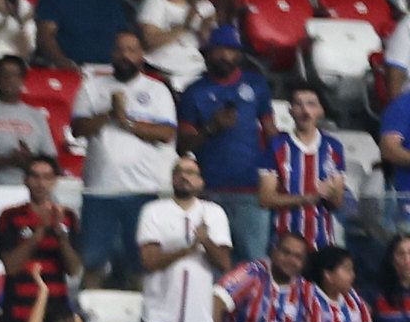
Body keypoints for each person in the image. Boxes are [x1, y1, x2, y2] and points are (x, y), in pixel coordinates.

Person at [72, 30, 177, 287]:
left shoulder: (156, 90)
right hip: (99, 191)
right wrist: (110, 114)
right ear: (112, 53)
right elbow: (78, 128)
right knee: (93, 264)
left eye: (131, 50)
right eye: (120, 49)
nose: (125, 55)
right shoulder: (93, 87)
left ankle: (137, 312)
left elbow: (166, 133)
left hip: (142, 191)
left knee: (140, 266)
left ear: (141, 55)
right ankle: (87, 312)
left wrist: (127, 122)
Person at [177, 25, 274, 265]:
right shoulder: (194, 92)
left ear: (239, 54)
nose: (224, 55)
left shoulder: (257, 85)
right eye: (218, 49)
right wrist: (211, 128)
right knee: (212, 261)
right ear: (208, 52)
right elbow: (182, 146)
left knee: (254, 263)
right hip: (209, 191)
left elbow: (271, 132)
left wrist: (274, 177)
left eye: (231, 50)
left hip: (251, 190)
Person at [137, 155, 232, 322]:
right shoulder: (154, 211)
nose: (184, 177)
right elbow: (149, 261)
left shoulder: (214, 213)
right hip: (159, 317)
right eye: (179, 172)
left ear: (201, 181)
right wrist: (187, 249)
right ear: (172, 178)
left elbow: (224, 263)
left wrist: (205, 241)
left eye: (191, 173)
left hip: (198, 321)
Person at [0, 155, 80, 322]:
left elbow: (74, 269)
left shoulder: (68, 217)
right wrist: (38, 234)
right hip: (17, 321)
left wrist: (61, 237)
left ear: (55, 181)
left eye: (47, 177)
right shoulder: (9, 216)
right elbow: (11, 267)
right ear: (25, 179)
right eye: (35, 176)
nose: (41, 183)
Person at [260, 87, 345, 251]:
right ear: (290, 110)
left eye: (311, 104)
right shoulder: (276, 146)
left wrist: (331, 193)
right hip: (283, 243)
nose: (305, 111)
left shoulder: (333, 147)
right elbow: (265, 199)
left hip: (321, 243)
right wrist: (306, 198)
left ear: (321, 110)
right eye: (299, 104)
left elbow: (338, 204)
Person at [214, 228, 309, 322]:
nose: (291, 260)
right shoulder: (252, 272)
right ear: (274, 252)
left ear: (304, 263)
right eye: (286, 252)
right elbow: (216, 301)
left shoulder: (306, 289)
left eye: (298, 257)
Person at [137, 0, 215, 91]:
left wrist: (205, 29)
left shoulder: (204, 6)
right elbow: (150, 41)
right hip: (160, 68)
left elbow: (212, 44)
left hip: (196, 70)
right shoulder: (155, 1)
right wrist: (185, 26)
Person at [299, 244, 375, 322]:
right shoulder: (309, 295)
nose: (353, 275)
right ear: (328, 275)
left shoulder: (354, 299)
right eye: (347, 269)